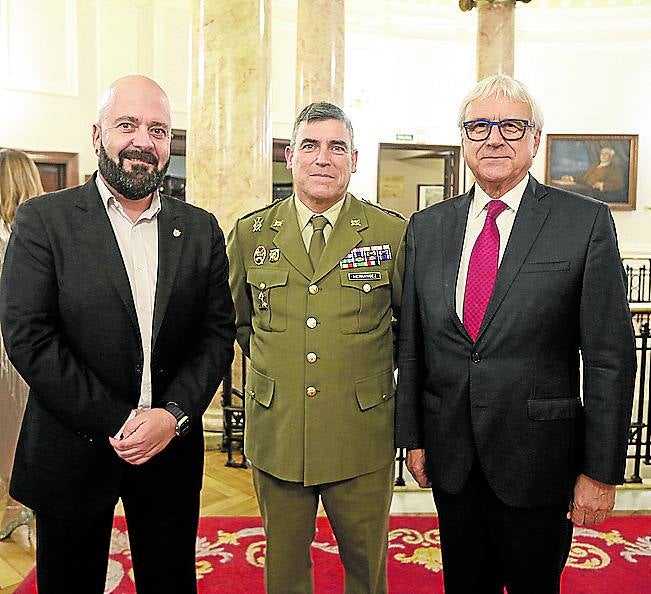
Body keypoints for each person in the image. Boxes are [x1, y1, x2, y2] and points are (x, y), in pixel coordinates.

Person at [395, 74, 636, 594]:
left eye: (510, 125)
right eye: (478, 125)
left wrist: (600, 470)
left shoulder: (583, 222)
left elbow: (609, 358)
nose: (493, 138)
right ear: (463, 140)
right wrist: (412, 437)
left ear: (535, 138)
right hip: (451, 458)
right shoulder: (427, 227)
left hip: (539, 459)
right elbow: (413, 344)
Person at [0, 75, 235, 594]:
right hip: (73, 444)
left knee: (171, 581)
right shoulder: (44, 220)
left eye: (158, 129)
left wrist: (172, 415)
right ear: (97, 133)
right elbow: (28, 335)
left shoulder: (200, 229)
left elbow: (217, 335)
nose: (143, 141)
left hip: (169, 450)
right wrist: (123, 420)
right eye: (127, 125)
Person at [228, 102, 406, 594]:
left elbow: (410, 328)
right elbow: (238, 320)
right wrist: (276, 366)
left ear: (354, 158)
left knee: (366, 566)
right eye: (310, 145)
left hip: (361, 430)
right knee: (284, 569)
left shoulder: (391, 233)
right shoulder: (250, 233)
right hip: (279, 427)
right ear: (290, 156)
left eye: (336, 147)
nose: (322, 158)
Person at [0, 148, 43, 542]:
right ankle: (18, 514)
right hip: (21, 353)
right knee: (17, 436)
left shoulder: (23, 231)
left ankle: (18, 513)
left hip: (11, 351)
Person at [560, 146, 626, 202]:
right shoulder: (595, 165)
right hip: (585, 188)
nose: (603, 156)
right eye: (602, 154)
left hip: (597, 194)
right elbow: (584, 177)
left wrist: (602, 185)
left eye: (606, 154)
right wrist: (571, 178)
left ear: (611, 157)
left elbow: (619, 184)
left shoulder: (614, 168)